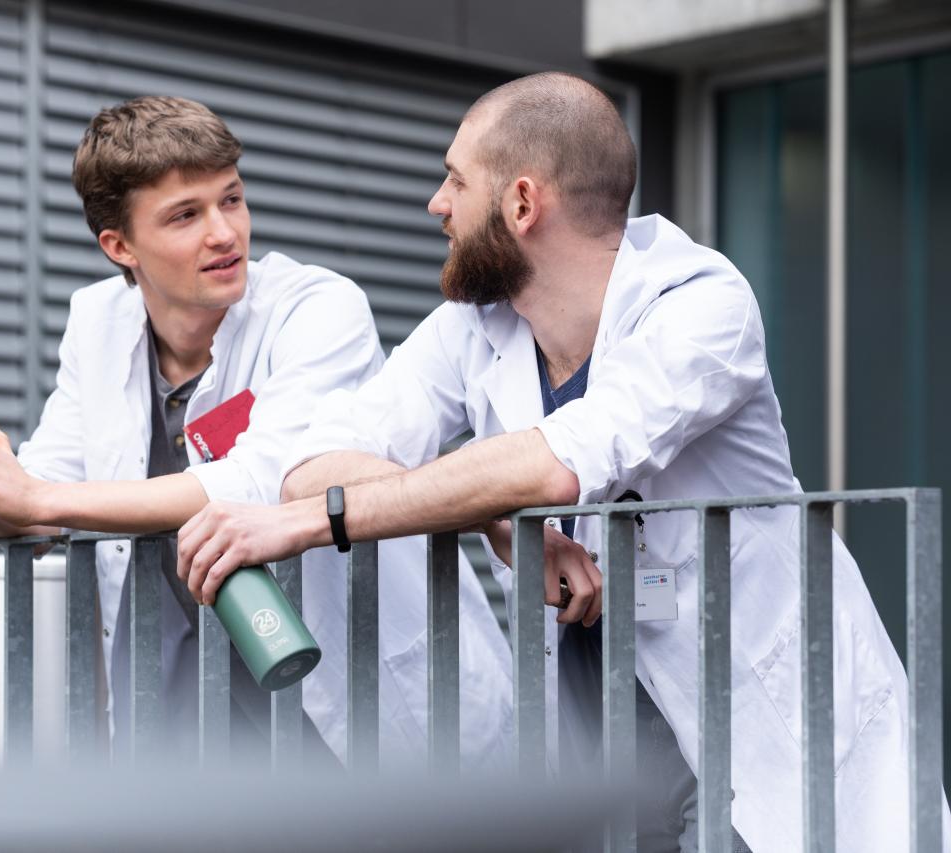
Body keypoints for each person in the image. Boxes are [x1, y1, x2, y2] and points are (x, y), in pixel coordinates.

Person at [175, 73, 946, 850]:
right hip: (596, 711)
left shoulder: (699, 305)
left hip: (757, 703)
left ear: (520, 203)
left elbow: (556, 464)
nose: (436, 204)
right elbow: (314, 460)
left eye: (454, 179)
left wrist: (312, 523)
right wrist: (501, 518)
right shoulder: (475, 327)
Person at [0, 95, 513, 767]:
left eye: (231, 199)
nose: (225, 232)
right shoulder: (97, 323)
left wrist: (36, 498)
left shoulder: (317, 308)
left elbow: (264, 483)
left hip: (357, 707)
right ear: (119, 245)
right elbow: (43, 502)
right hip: (194, 726)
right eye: (185, 215)